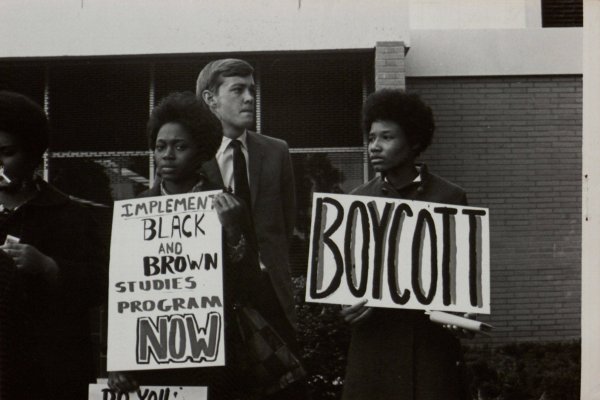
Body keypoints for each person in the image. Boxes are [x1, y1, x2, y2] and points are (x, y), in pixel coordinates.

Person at [108, 91, 274, 399]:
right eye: (160, 147)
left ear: (201, 152)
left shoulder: (228, 205)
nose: (167, 155)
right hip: (151, 356)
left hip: (215, 353)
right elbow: (122, 291)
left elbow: (251, 285)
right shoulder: (135, 211)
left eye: (180, 146)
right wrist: (117, 359)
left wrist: (232, 230)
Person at [340, 89, 470, 400]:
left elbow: (461, 275)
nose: (375, 146)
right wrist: (345, 306)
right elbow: (345, 276)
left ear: (413, 141)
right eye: (371, 137)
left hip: (430, 350)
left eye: (386, 137)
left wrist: (462, 312)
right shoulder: (357, 201)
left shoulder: (450, 198)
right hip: (373, 350)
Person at [197, 59, 304, 399]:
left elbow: (285, 225)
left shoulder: (276, 152)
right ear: (210, 99)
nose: (249, 99)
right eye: (237, 90)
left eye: (252, 91)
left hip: (271, 292)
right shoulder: (191, 156)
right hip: (218, 297)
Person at [0, 91, 108, 400]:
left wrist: (49, 267)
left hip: (52, 373)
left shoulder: (69, 215)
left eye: (6, 152)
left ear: (33, 155)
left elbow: (99, 284)